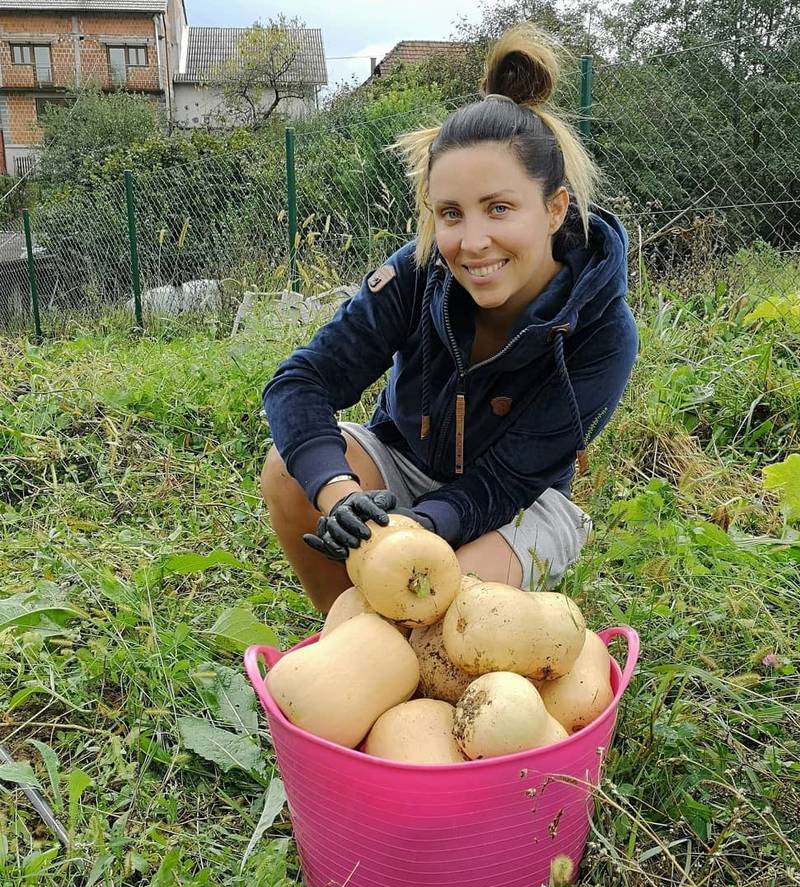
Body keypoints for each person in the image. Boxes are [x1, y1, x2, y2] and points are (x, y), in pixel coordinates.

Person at [260, 24, 638, 615]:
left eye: (500, 208)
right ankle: (345, 637)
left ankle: (396, 643)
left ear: (554, 207)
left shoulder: (604, 331)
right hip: (405, 465)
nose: (473, 242)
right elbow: (299, 383)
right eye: (452, 214)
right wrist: (338, 495)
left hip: (519, 501)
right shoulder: (416, 272)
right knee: (289, 470)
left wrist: (415, 530)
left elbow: (507, 483)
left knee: (445, 604)